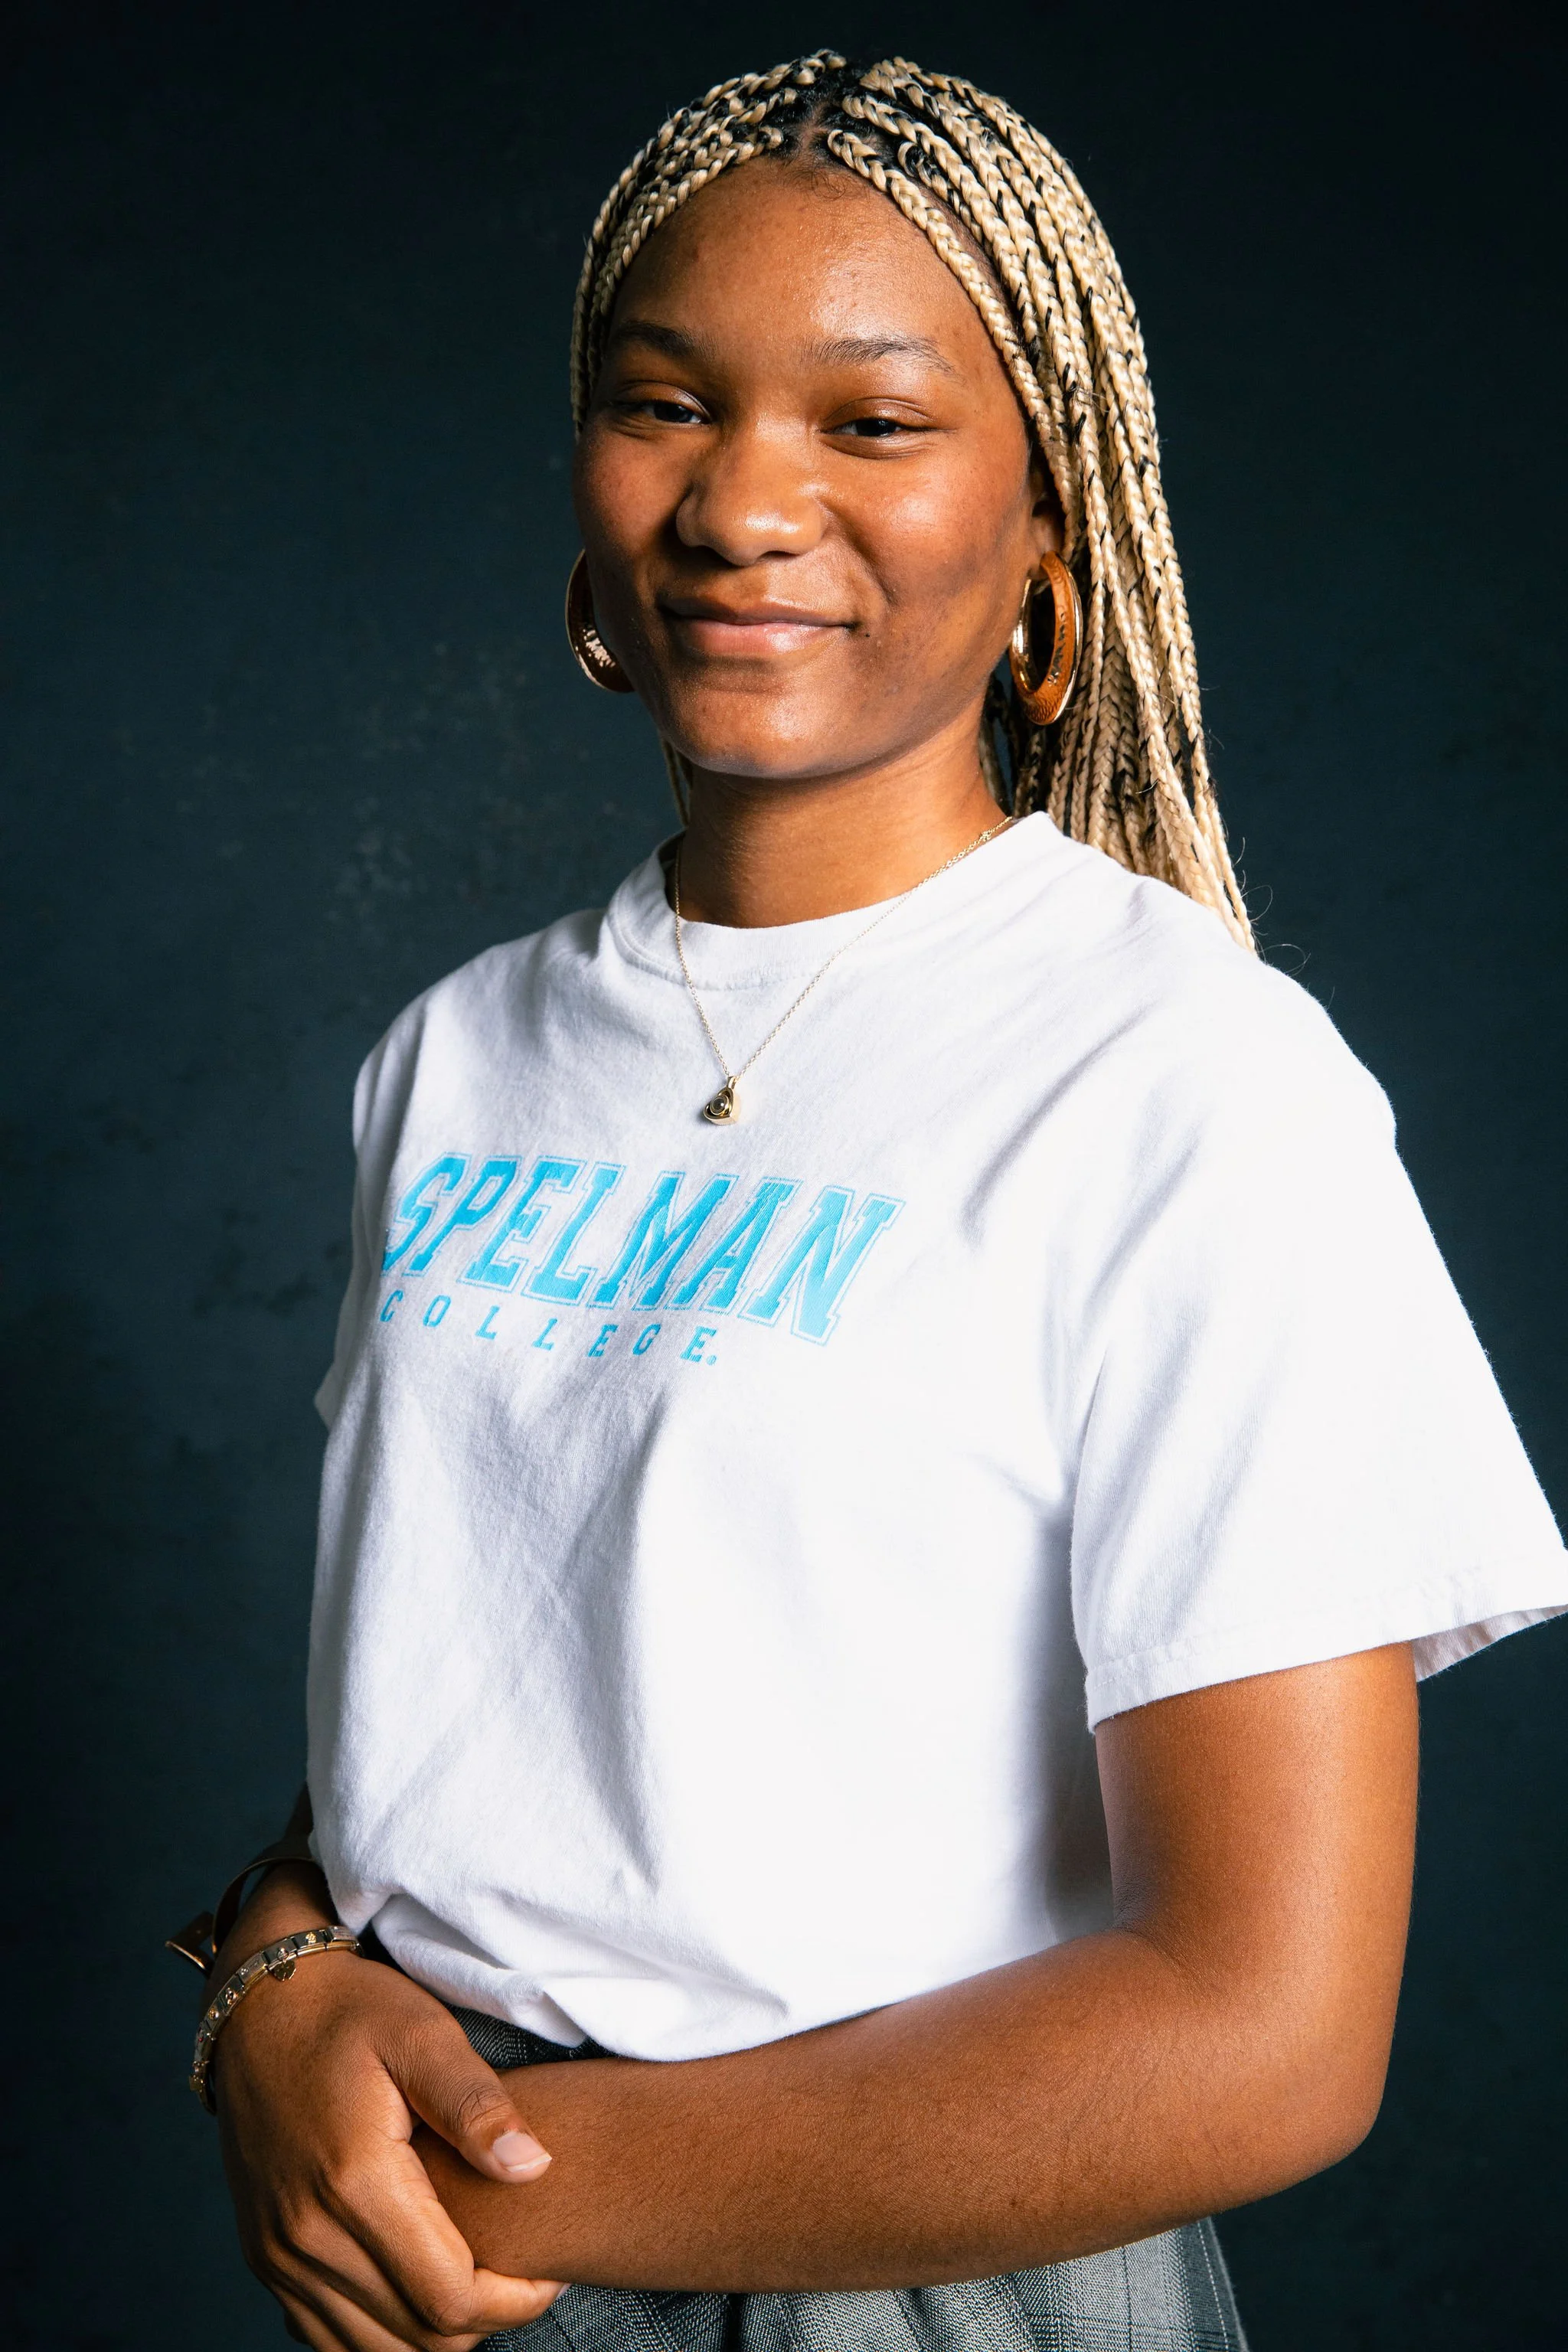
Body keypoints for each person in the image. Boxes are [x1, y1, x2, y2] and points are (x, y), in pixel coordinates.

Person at [182, 53, 1567, 2352]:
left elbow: (1268, 2030)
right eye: (666, 404)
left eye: (874, 420)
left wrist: (503, 2184)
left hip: (906, 2282)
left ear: (1054, 522)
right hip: (436, 2274)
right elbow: (517, 1729)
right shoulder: (453, 1058)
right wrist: (278, 1976)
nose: (743, 500)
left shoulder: (1186, 1083)